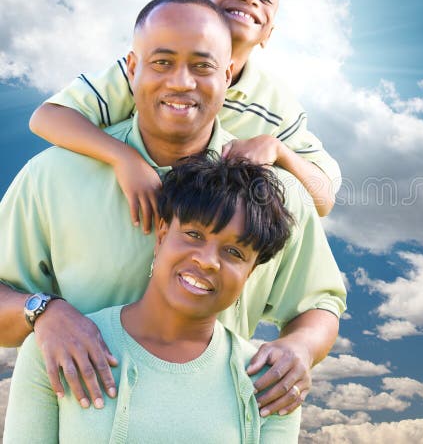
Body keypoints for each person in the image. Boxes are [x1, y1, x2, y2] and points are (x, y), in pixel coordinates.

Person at [0, 0, 345, 419]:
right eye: (162, 62)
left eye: (203, 66)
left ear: (229, 73)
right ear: (132, 67)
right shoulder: (51, 176)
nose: (182, 82)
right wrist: (43, 312)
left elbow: (320, 303)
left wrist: (299, 348)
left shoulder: (277, 194)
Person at [4, 155, 301, 443]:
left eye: (235, 253)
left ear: (249, 274)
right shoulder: (57, 348)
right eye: (194, 234)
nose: (208, 261)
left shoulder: (272, 383)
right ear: (161, 237)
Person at [29, 0, 339, 230]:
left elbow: (323, 199)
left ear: (268, 34)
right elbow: (47, 117)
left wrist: (278, 150)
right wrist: (124, 158)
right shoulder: (150, 71)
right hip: (116, 220)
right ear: (201, 3)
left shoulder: (276, 104)